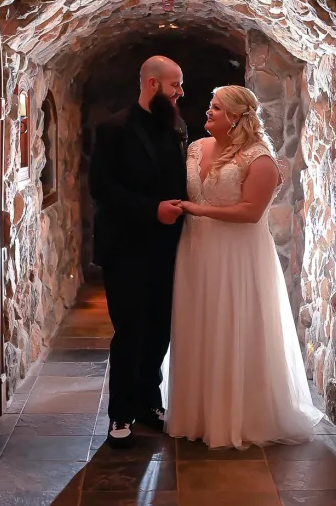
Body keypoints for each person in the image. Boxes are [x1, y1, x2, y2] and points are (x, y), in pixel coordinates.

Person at [164, 85, 323, 449]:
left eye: (215, 107)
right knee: (198, 322)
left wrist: (200, 210)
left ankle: (239, 417)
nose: (208, 111)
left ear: (235, 117)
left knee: (232, 323)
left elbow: (251, 212)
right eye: (211, 105)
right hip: (195, 253)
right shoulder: (195, 149)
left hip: (236, 258)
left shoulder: (259, 159)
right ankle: (197, 413)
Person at [89, 55, 188, 447]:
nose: (180, 92)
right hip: (126, 247)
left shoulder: (177, 128)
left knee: (160, 329)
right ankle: (120, 414)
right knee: (130, 330)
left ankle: (150, 402)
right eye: (175, 84)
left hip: (167, 247)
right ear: (151, 84)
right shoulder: (112, 128)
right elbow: (103, 189)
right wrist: (152, 210)